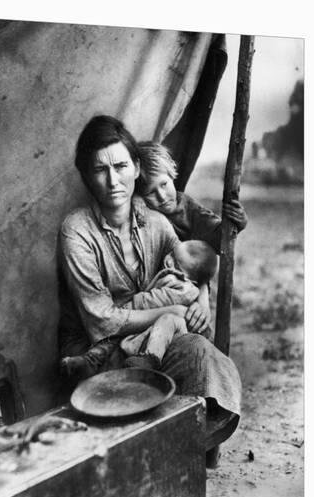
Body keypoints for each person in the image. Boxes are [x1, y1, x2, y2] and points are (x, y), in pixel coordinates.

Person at [58, 115, 241, 467]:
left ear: (136, 168)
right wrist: (169, 312)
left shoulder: (157, 223)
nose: (113, 180)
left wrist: (199, 295)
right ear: (85, 175)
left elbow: (189, 266)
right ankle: (153, 453)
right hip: (97, 351)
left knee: (200, 351)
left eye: (121, 166)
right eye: (100, 170)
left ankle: (179, 451)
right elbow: (100, 320)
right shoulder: (76, 231)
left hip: (149, 343)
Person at [135, 140, 248, 335]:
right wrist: (136, 201)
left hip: (186, 285)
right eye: (151, 192)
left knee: (197, 327)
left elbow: (218, 239)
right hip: (152, 288)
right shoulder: (142, 212)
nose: (162, 196)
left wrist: (238, 223)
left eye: (164, 184)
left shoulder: (187, 207)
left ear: (172, 176)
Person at [61, 240, 218, 376]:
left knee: (116, 335)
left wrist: (127, 309)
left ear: (191, 280)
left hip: (160, 330)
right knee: (114, 338)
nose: (168, 261)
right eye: (172, 253)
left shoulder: (182, 289)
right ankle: (91, 361)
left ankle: (138, 361)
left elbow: (152, 301)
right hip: (150, 324)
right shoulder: (179, 276)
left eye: (176, 263)